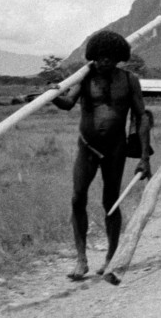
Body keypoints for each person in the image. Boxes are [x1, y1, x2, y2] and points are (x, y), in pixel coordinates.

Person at [52, 30, 152, 283]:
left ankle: (111, 257)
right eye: (100, 56)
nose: (104, 61)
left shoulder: (129, 80)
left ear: (119, 58)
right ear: (93, 56)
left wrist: (144, 157)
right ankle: (81, 259)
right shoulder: (84, 78)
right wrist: (52, 96)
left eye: (110, 57)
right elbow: (67, 103)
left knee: (111, 202)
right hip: (87, 147)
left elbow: (141, 116)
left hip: (115, 149)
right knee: (77, 198)